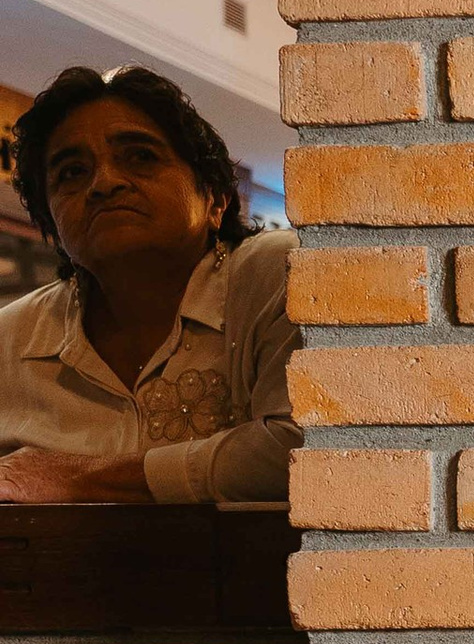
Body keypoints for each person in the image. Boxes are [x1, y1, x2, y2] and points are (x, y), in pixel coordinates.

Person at [0, 65, 293, 506]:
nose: (104, 183)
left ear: (215, 200)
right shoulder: (9, 340)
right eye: (72, 172)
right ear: (52, 223)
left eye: (141, 157)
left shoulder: (277, 274)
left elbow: (307, 449)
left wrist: (77, 478)